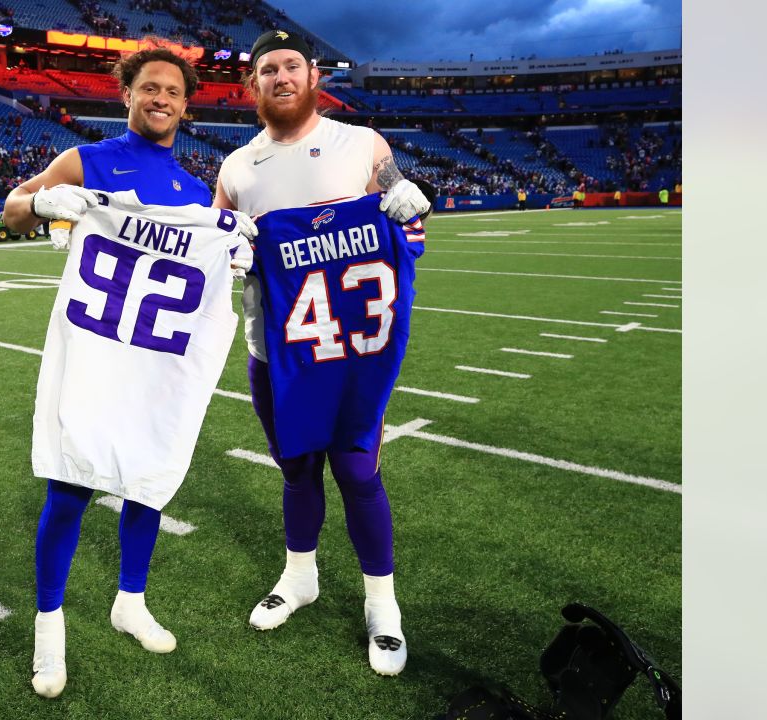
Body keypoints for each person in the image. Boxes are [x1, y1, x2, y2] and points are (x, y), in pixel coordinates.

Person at [1, 43, 255, 700]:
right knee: (71, 485)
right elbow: (11, 208)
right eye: (150, 88)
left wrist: (235, 256)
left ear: (185, 103)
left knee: (147, 480)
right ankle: (48, 630)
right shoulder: (86, 161)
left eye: (173, 90)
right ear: (128, 94)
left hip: (155, 364)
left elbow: (215, 274)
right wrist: (47, 205)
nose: (161, 99)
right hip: (95, 354)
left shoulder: (195, 193)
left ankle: (130, 602)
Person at [212, 29, 430, 678]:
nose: (279, 76)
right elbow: (213, 241)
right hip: (272, 351)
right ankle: (299, 576)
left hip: (349, 351)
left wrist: (411, 208)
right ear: (252, 86)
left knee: (359, 473)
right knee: (296, 471)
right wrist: (231, 250)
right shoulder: (236, 168)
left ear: (312, 76)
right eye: (267, 70)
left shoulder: (362, 145)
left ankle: (382, 606)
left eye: (291, 66)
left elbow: (408, 227)